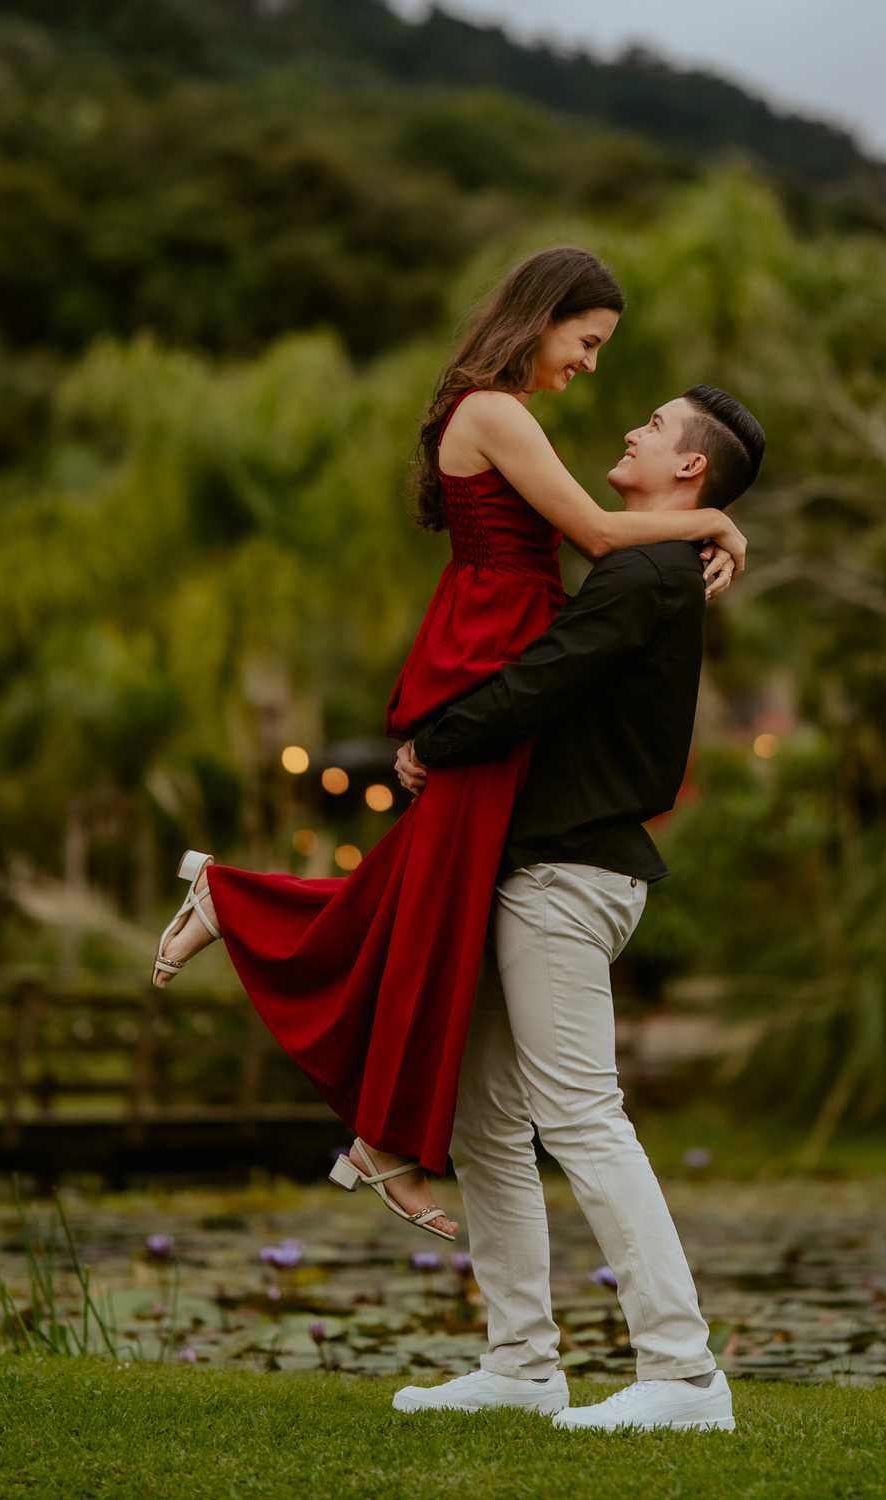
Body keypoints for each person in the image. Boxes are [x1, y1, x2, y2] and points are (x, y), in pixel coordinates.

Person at [148, 247, 747, 1243]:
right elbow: (599, 535)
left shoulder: (498, 411)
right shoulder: (496, 411)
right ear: (544, 316)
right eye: (587, 342)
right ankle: (358, 1099)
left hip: (502, 632)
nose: (593, 366)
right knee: (437, 892)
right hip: (495, 645)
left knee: (434, 887)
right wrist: (719, 519)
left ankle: (358, 1100)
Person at [389, 385, 765, 1432]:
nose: (633, 428)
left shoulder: (644, 568)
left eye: (655, 424)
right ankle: (519, 1364)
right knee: (487, 1125)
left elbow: (539, 680)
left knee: (583, 1119)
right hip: (549, 869)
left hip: (568, 876)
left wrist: (433, 742)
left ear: (688, 470)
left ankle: (685, 1375)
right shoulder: (651, 561)